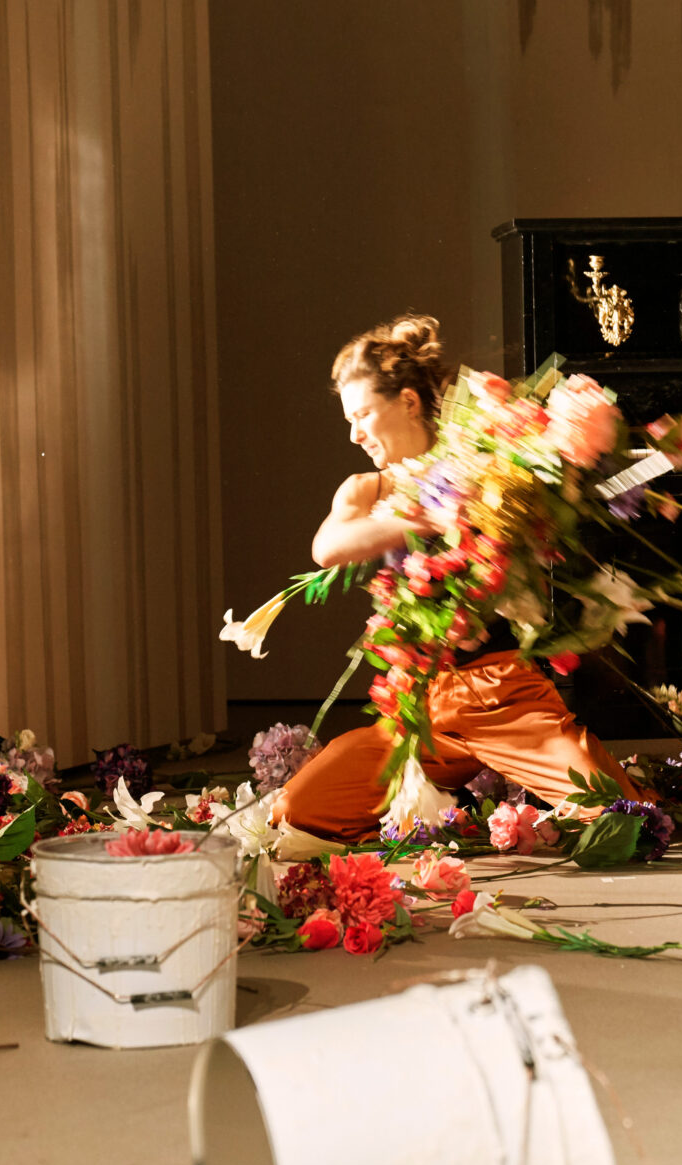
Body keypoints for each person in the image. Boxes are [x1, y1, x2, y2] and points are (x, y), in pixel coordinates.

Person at [269, 314, 653, 845]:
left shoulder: (487, 468)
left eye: (362, 415)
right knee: (298, 812)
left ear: (408, 402)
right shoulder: (367, 489)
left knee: (624, 820)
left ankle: (511, 783)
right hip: (418, 710)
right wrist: (428, 517)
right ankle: (462, 798)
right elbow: (327, 547)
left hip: (500, 695)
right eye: (348, 419)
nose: (354, 433)